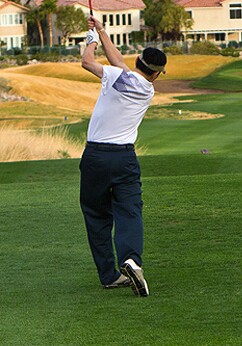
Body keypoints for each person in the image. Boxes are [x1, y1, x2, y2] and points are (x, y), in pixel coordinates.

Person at [79, 15, 167, 297]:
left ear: (138, 60)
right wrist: (102, 30)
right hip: (124, 158)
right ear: (155, 74)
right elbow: (117, 62)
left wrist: (91, 41)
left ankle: (109, 275)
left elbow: (87, 62)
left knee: (96, 214)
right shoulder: (146, 88)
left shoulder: (119, 76)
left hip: (95, 156)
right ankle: (131, 260)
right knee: (129, 210)